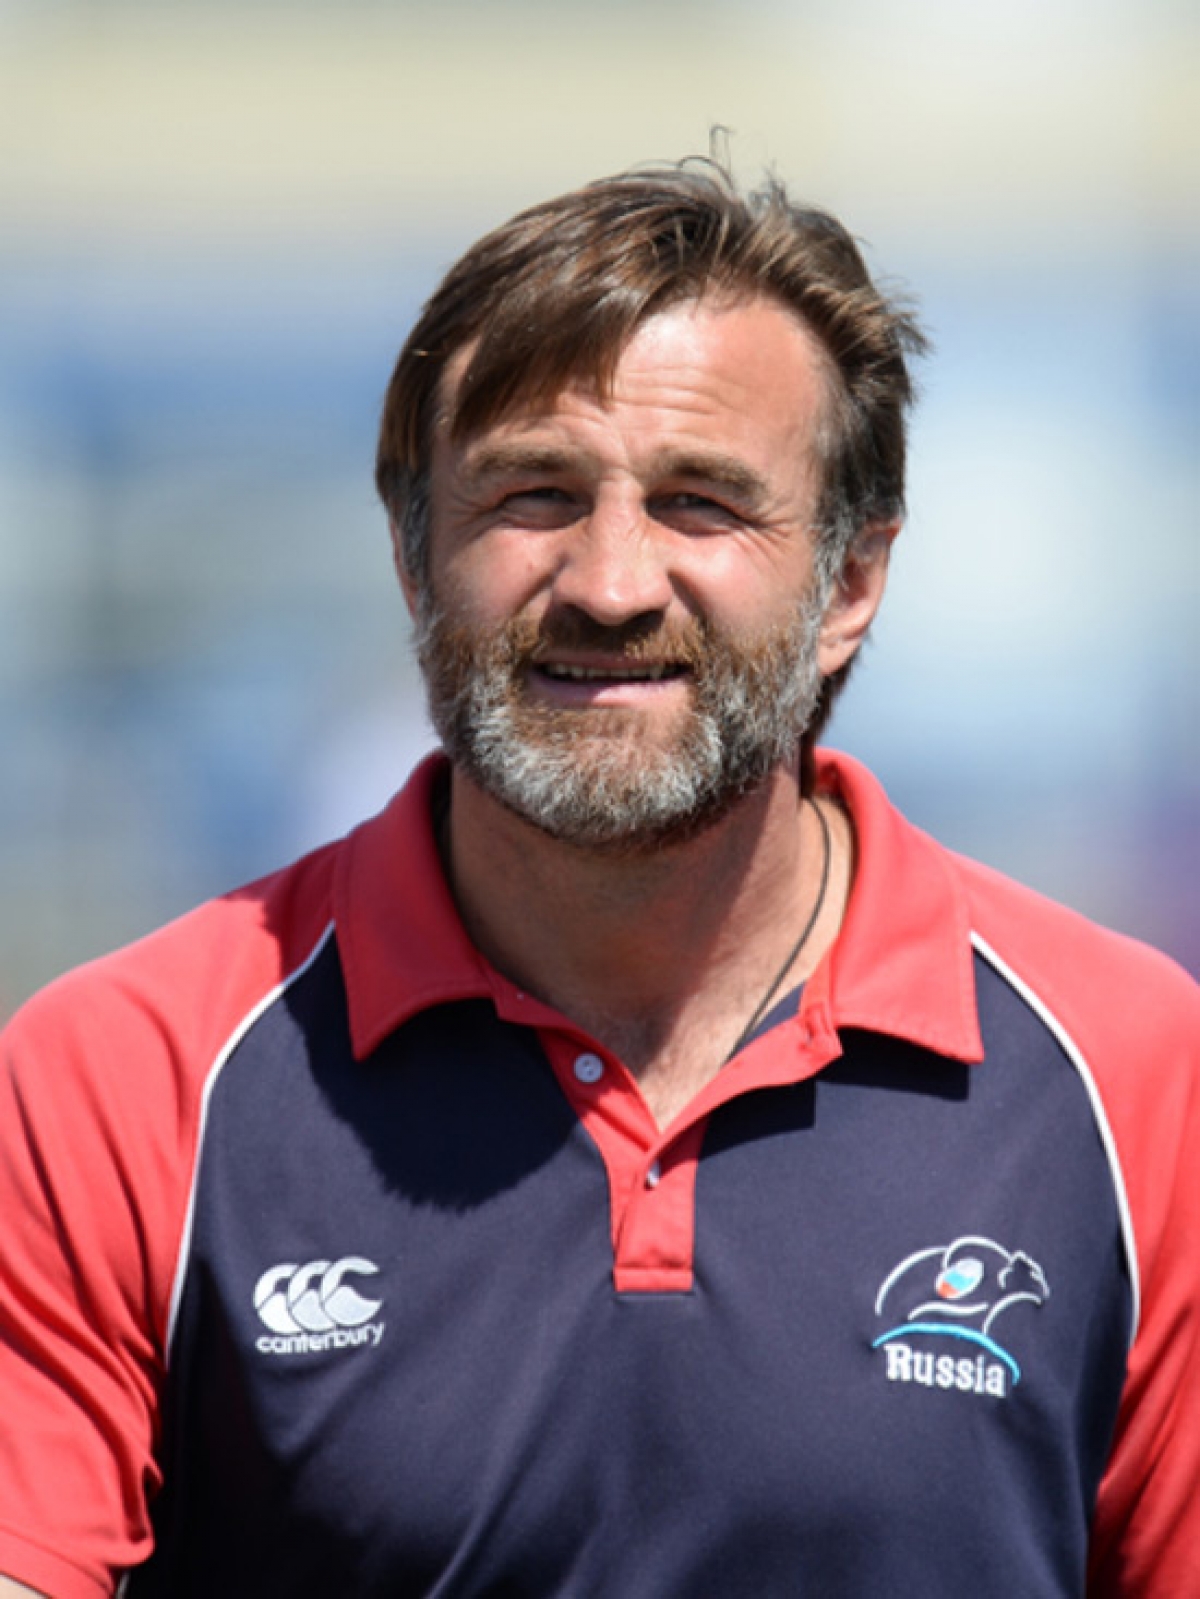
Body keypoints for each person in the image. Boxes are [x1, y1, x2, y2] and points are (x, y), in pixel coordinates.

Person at [1, 157, 1197, 1599]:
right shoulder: (122, 1078)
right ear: (413, 560)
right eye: (532, 495)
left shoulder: (1136, 1077)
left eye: (700, 502)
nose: (610, 583)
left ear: (851, 582)